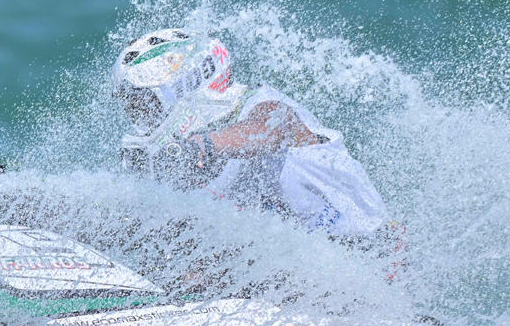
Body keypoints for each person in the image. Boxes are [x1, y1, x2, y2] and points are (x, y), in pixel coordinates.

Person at [112, 29, 390, 243]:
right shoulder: (199, 155)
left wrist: (199, 146)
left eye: (145, 105)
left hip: (371, 258)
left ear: (188, 86)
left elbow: (272, 129)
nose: (141, 119)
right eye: (133, 108)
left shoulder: (260, 106)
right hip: (307, 273)